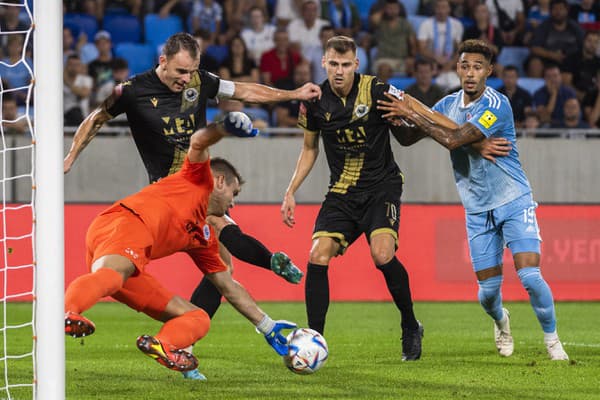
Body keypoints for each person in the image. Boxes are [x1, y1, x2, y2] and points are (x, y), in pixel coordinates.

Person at [63, 32, 318, 378]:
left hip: (188, 211)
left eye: (192, 72)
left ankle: (177, 345)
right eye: (181, 71)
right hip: (166, 198)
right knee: (211, 252)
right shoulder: (132, 91)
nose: (186, 80)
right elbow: (97, 117)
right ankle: (68, 311)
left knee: (218, 275)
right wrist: (70, 156)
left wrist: (293, 94)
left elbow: (244, 90)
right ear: (162, 61)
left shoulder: (200, 82)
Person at [377, 39, 569, 361]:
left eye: (477, 67)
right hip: (477, 209)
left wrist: (413, 109)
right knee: (488, 295)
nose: (470, 73)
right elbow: (410, 138)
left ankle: (553, 342)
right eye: (465, 66)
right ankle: (501, 321)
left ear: (488, 72)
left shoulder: (497, 104)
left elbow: (453, 140)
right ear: (457, 68)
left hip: (514, 199)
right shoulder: (447, 105)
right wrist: (393, 116)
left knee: (530, 276)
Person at [63, 114, 297, 375]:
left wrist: (266, 325)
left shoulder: (204, 238)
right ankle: (67, 312)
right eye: (234, 193)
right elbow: (198, 142)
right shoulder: (197, 178)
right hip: (125, 224)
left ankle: (164, 345)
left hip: (128, 263)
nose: (233, 203)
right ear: (219, 182)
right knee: (114, 274)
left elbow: (227, 286)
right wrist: (224, 127)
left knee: (197, 318)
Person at [280, 35, 424, 361]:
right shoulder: (314, 100)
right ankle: (314, 339)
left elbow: (406, 132)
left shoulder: (377, 90)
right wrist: (290, 191)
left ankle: (410, 324)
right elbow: (309, 148)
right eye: (334, 64)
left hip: (381, 187)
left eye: (346, 65)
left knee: (382, 255)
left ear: (356, 64)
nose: (339, 71)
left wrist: (418, 121)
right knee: (317, 255)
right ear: (324, 63)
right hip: (342, 192)